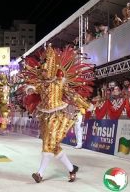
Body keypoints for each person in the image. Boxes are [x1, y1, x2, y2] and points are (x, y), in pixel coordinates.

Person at [24, 46, 94, 183]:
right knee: (52, 146)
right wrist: (30, 88)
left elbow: (73, 96)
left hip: (58, 114)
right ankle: (71, 169)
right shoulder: (41, 84)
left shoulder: (59, 83)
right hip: (45, 115)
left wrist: (87, 105)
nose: (43, 72)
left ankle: (40, 174)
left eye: (45, 70)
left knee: (48, 145)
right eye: (42, 70)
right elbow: (33, 88)